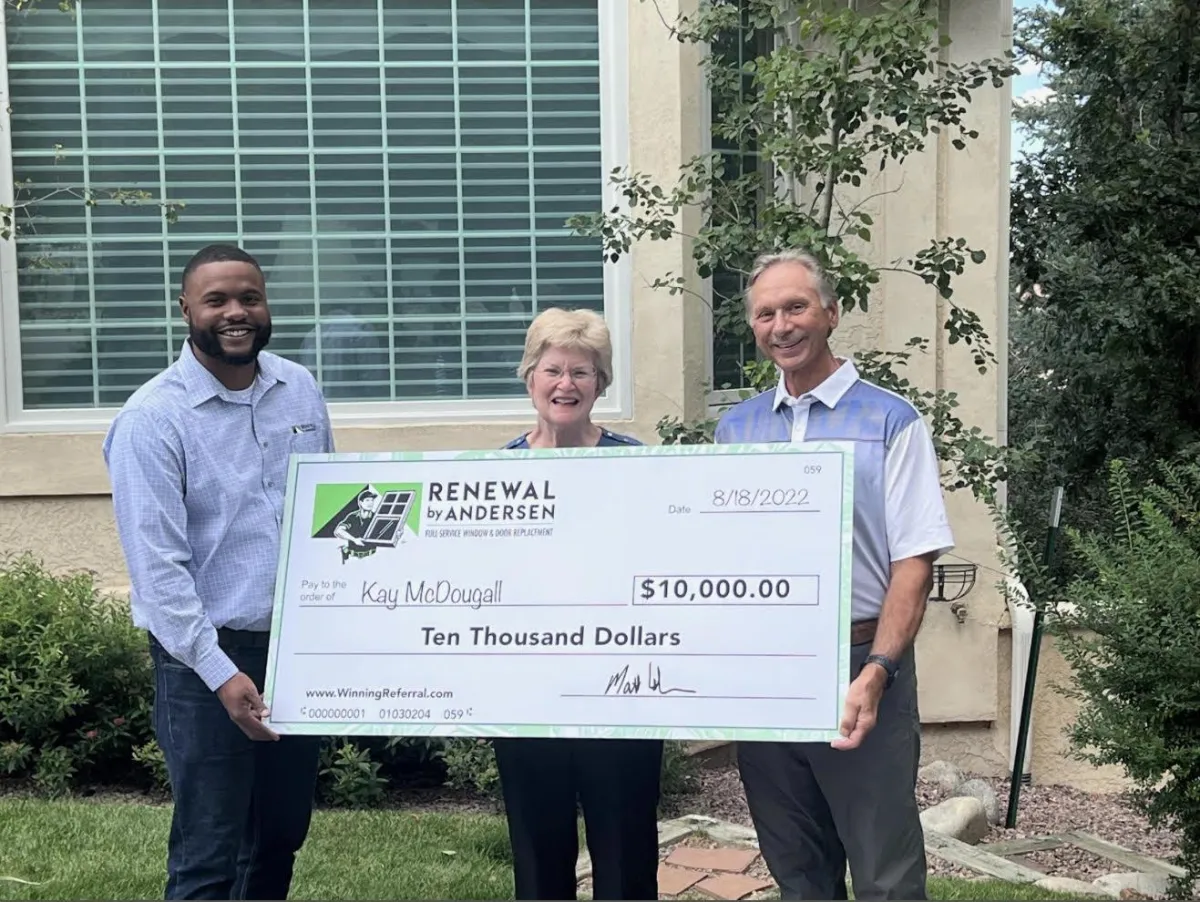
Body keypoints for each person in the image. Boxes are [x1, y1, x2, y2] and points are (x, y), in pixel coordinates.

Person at [714, 249, 954, 901]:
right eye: (766, 313)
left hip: (860, 664)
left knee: (885, 871)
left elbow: (915, 562)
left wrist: (877, 672)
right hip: (767, 672)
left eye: (796, 307)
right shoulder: (735, 429)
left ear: (831, 313)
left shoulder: (890, 421)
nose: (781, 325)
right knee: (796, 866)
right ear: (753, 326)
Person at [102, 243, 336, 900]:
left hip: (293, 649)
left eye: (249, 298)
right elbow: (159, 573)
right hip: (203, 660)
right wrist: (221, 673)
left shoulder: (300, 389)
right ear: (186, 309)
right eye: (217, 300)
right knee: (210, 850)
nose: (236, 312)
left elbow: (327, 512)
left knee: (279, 836)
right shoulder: (151, 420)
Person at [492, 307, 661, 901]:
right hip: (527, 694)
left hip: (621, 690)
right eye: (553, 370)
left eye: (582, 372)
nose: (566, 384)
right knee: (538, 860)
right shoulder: (495, 473)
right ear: (530, 377)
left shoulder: (639, 465)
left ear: (600, 383)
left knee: (627, 854)